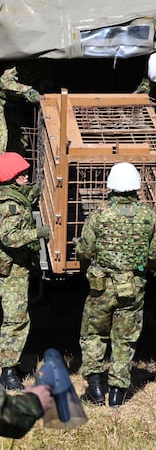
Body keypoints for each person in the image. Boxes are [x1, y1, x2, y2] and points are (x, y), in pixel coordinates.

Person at [74, 162, 156, 407]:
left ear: (111, 185)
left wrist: (79, 246)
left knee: (94, 334)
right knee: (124, 340)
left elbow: (86, 249)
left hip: (101, 286)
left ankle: (94, 389)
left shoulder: (99, 213)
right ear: (135, 185)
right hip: (132, 286)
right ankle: (117, 394)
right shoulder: (148, 215)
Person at [0, 152, 50, 391]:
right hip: (11, 272)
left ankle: (10, 364)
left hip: (14, 268)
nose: (26, 176)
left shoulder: (13, 197)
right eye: (22, 174)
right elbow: (9, 237)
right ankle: (8, 372)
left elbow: (28, 195)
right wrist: (37, 233)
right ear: (11, 177)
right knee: (16, 320)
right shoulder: (9, 205)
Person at [0, 67, 40, 154]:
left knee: (19, 142)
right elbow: (5, 81)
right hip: (6, 104)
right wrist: (27, 91)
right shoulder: (15, 61)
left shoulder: (44, 63)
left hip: (21, 108)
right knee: (3, 139)